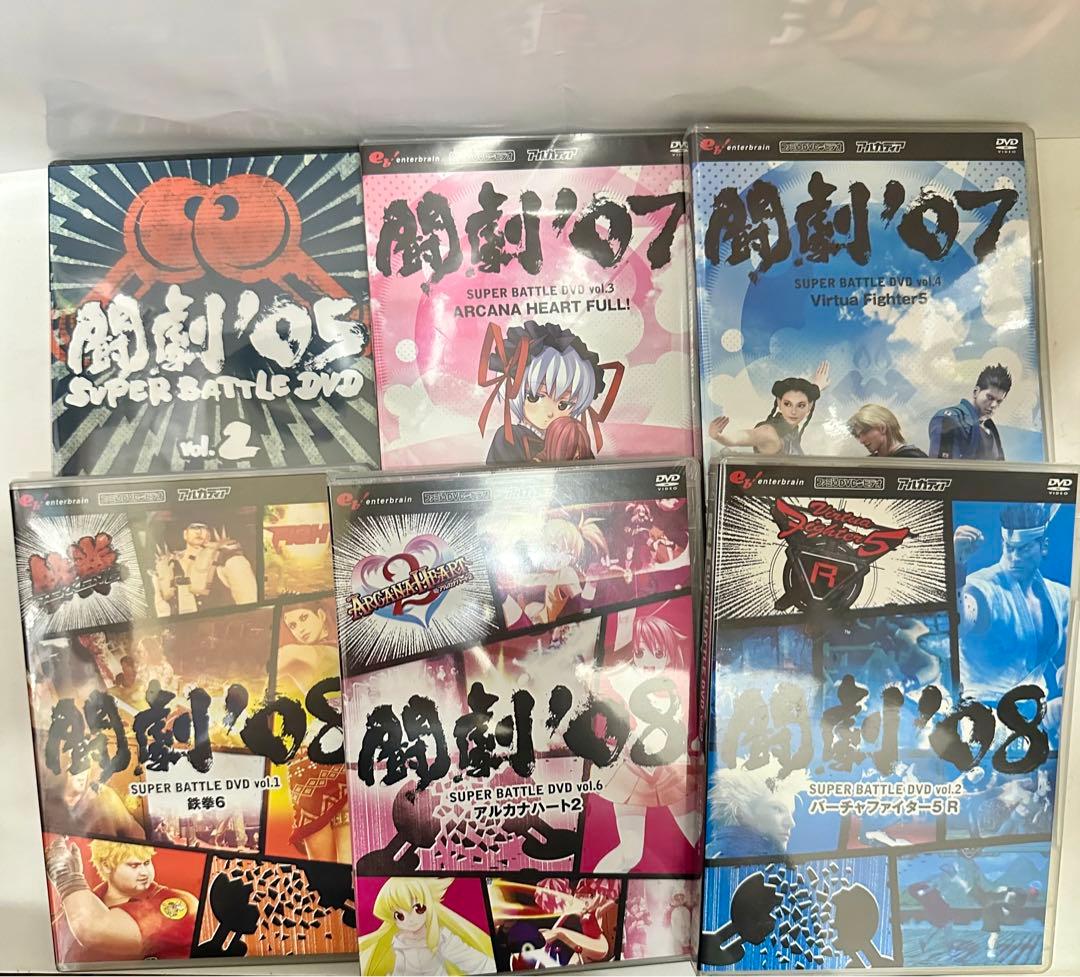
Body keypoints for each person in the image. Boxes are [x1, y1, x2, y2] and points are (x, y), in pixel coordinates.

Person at [592, 611, 700, 872]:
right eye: (641, 653)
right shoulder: (627, 678)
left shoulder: (683, 683)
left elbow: (694, 730)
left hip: (673, 771)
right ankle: (589, 888)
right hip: (632, 771)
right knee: (630, 853)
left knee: (699, 841)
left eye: (657, 652)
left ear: (669, 653)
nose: (648, 661)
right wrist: (626, 609)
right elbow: (619, 642)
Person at [955, 503, 1069, 698]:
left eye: (1024, 549)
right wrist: (957, 566)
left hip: (1035, 709)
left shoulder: (1060, 597)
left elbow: (1064, 660)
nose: (1015, 557)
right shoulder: (982, 588)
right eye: (1009, 548)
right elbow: (959, 624)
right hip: (980, 710)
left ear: (1044, 546)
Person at [478, 321, 621, 464]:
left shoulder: (571, 435)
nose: (549, 413)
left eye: (563, 405)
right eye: (535, 397)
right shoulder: (510, 437)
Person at [275, 603, 349, 863]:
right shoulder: (305, 653)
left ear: (321, 615)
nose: (300, 629)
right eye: (293, 625)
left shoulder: (328, 651)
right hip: (315, 763)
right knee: (330, 869)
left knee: (338, 868)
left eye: (304, 618)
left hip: (346, 758)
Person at [47, 839, 198, 963]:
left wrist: (68, 879)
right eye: (134, 865)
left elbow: (95, 932)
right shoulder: (84, 900)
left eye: (146, 863)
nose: (144, 872)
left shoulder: (179, 901)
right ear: (106, 866)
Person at [358, 877, 495, 975]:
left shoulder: (441, 937)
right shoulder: (399, 941)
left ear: (428, 905)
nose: (411, 919)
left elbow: (474, 961)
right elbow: (400, 970)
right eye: (400, 916)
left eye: (418, 908)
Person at [708, 361, 829, 455]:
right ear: (779, 403)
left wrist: (817, 386)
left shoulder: (790, 430)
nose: (793, 411)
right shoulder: (768, 433)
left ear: (809, 407)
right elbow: (745, 436)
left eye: (801, 405)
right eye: (787, 404)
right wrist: (719, 436)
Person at [151, 521, 257, 616]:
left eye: (203, 528)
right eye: (194, 527)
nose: (199, 532)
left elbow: (249, 604)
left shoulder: (227, 561)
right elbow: (161, 606)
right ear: (185, 534)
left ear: (209, 534)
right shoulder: (168, 564)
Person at [708, 761, 804, 856]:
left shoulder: (712, 851)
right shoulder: (759, 859)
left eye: (791, 813)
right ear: (740, 811)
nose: (791, 823)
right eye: (778, 809)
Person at [41, 764, 146, 841]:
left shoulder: (103, 795)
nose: (82, 774)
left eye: (85, 766)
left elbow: (136, 833)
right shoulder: (47, 801)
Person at [929, 363, 1011, 459]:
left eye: (999, 401)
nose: (994, 405)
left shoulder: (990, 427)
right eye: (990, 397)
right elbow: (944, 467)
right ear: (976, 392)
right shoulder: (950, 419)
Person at [847, 403, 927, 457]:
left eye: (865, 432)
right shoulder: (870, 462)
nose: (861, 441)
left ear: (882, 428)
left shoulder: (913, 458)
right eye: (858, 436)